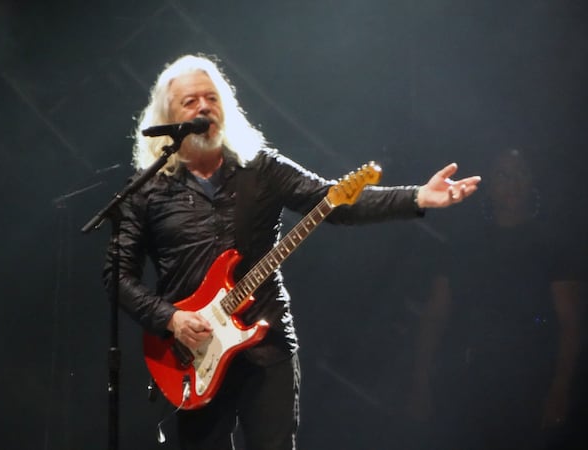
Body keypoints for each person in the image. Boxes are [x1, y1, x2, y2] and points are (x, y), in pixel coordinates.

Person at [103, 53, 481, 450]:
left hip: (266, 348)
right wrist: (172, 319)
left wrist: (417, 195)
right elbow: (117, 275)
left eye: (211, 98)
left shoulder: (261, 167)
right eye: (190, 101)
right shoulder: (147, 190)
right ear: (167, 118)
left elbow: (334, 201)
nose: (203, 107)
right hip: (190, 356)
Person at [406, 148, 584, 450]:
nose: (512, 182)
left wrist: (560, 388)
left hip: (529, 382)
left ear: (531, 181)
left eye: (520, 174)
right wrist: (420, 380)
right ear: (489, 183)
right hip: (464, 377)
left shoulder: (553, 245)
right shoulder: (464, 243)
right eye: (503, 174)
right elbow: (436, 314)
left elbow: (571, 324)